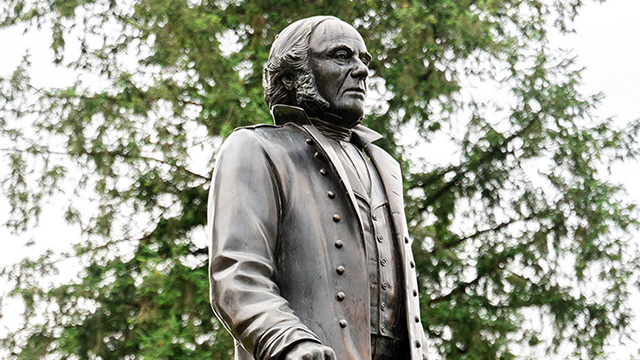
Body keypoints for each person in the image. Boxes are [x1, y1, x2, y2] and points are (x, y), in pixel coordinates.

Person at [208, 16, 428, 360]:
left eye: (364, 60)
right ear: (291, 77)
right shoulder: (258, 148)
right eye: (341, 56)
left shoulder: (384, 166)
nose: (361, 71)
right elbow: (238, 276)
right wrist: (289, 343)